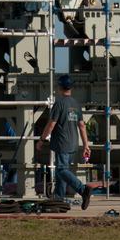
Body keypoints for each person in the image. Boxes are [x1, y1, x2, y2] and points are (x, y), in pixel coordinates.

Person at [37, 75, 92, 208]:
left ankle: (82, 189)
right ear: (71, 88)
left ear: (60, 87)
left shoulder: (59, 103)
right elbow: (82, 126)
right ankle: (59, 198)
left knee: (61, 170)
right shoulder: (75, 104)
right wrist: (86, 145)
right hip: (73, 143)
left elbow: (51, 124)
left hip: (62, 142)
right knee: (64, 170)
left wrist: (41, 139)